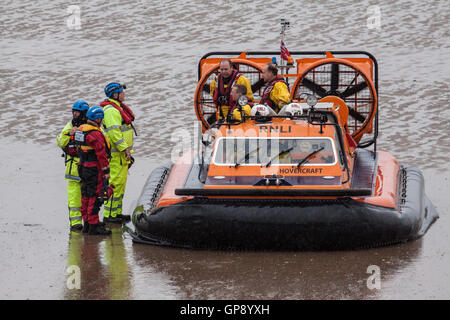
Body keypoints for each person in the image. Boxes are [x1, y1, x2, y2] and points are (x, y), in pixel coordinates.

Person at [100, 82, 135, 223]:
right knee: (114, 184)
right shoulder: (111, 111)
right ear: (115, 95)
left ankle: (116, 213)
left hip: (121, 156)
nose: (124, 94)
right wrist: (124, 148)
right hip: (116, 156)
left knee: (120, 185)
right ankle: (109, 216)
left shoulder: (117, 108)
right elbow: (114, 133)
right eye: (121, 92)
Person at [77, 106, 112, 235]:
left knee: (85, 195)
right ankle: (93, 226)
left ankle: (86, 223)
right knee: (95, 196)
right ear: (97, 119)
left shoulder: (81, 130)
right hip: (93, 169)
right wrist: (106, 171)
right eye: (101, 119)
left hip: (83, 167)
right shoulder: (95, 134)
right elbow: (101, 154)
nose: (101, 121)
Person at [57, 99, 90, 230]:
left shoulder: (91, 125)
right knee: (74, 198)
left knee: (89, 196)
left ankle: (89, 221)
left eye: (77, 113)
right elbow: (60, 141)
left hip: (88, 168)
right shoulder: (70, 125)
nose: (75, 115)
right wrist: (68, 133)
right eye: (74, 112)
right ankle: (76, 223)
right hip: (73, 170)